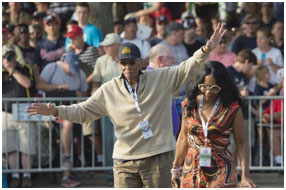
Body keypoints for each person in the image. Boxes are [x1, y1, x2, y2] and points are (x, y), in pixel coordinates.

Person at [26, 23, 227, 188]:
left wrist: (207, 48)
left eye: (132, 62)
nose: (128, 67)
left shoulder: (160, 78)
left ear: (141, 63)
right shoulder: (109, 89)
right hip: (124, 161)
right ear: (118, 65)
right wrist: (55, 110)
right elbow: (83, 111)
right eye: (123, 63)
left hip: (158, 157)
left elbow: (188, 67)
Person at [171, 61, 256, 188]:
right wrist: (175, 169)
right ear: (198, 84)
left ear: (223, 86)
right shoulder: (189, 105)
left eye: (214, 88)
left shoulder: (232, 109)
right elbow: (183, 139)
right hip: (191, 168)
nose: (208, 93)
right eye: (204, 87)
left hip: (221, 168)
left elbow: (242, 143)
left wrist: (245, 175)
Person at [36, 52, 88, 187]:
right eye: (70, 67)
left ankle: (74, 164)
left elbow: (84, 92)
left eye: (74, 68)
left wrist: (79, 95)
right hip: (51, 112)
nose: (72, 71)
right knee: (68, 124)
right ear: (64, 62)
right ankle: (66, 160)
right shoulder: (52, 67)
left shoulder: (80, 73)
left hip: (72, 111)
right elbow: (39, 86)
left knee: (73, 124)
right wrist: (58, 88)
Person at [2, 45, 36, 188]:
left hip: (24, 110)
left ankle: (27, 176)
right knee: (10, 147)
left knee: (26, 146)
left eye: (10, 55)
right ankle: (15, 176)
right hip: (5, 113)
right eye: (4, 56)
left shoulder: (25, 68)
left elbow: (27, 83)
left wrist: (12, 70)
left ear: (15, 56)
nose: (7, 58)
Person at [147, 44, 180, 138]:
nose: (173, 62)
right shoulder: (147, 80)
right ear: (160, 59)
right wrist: (148, 137)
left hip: (166, 139)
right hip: (156, 141)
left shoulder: (161, 78)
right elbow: (141, 114)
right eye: (171, 58)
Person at [33, 13, 65, 86]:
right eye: (49, 25)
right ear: (44, 27)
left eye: (54, 25)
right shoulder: (40, 45)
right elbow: (36, 66)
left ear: (58, 26)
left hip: (63, 80)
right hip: (47, 81)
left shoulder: (65, 41)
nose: (51, 27)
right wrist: (38, 82)